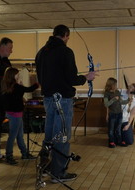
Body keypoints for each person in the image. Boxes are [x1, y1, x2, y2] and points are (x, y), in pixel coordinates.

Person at [35, 24, 97, 183]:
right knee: (62, 136)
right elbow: (71, 79)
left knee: (49, 135)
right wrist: (86, 78)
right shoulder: (65, 51)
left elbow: (41, 78)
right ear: (65, 35)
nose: (68, 40)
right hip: (62, 100)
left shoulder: (41, 52)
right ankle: (58, 173)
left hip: (48, 99)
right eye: (68, 37)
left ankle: (44, 168)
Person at [1, 67, 39, 165]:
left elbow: (16, 96)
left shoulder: (7, 86)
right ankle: (9, 156)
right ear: (12, 76)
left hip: (13, 113)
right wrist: (37, 83)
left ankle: (25, 153)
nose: (19, 76)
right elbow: (29, 89)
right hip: (15, 115)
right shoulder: (17, 87)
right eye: (17, 74)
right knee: (13, 136)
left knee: (19, 135)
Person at [104, 77, 129, 148]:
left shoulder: (117, 92)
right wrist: (114, 99)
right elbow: (106, 104)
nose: (116, 86)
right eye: (115, 84)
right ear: (111, 85)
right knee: (111, 130)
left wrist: (128, 100)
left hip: (119, 113)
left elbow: (121, 101)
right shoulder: (107, 93)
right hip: (112, 114)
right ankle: (111, 142)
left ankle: (119, 141)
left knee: (118, 129)